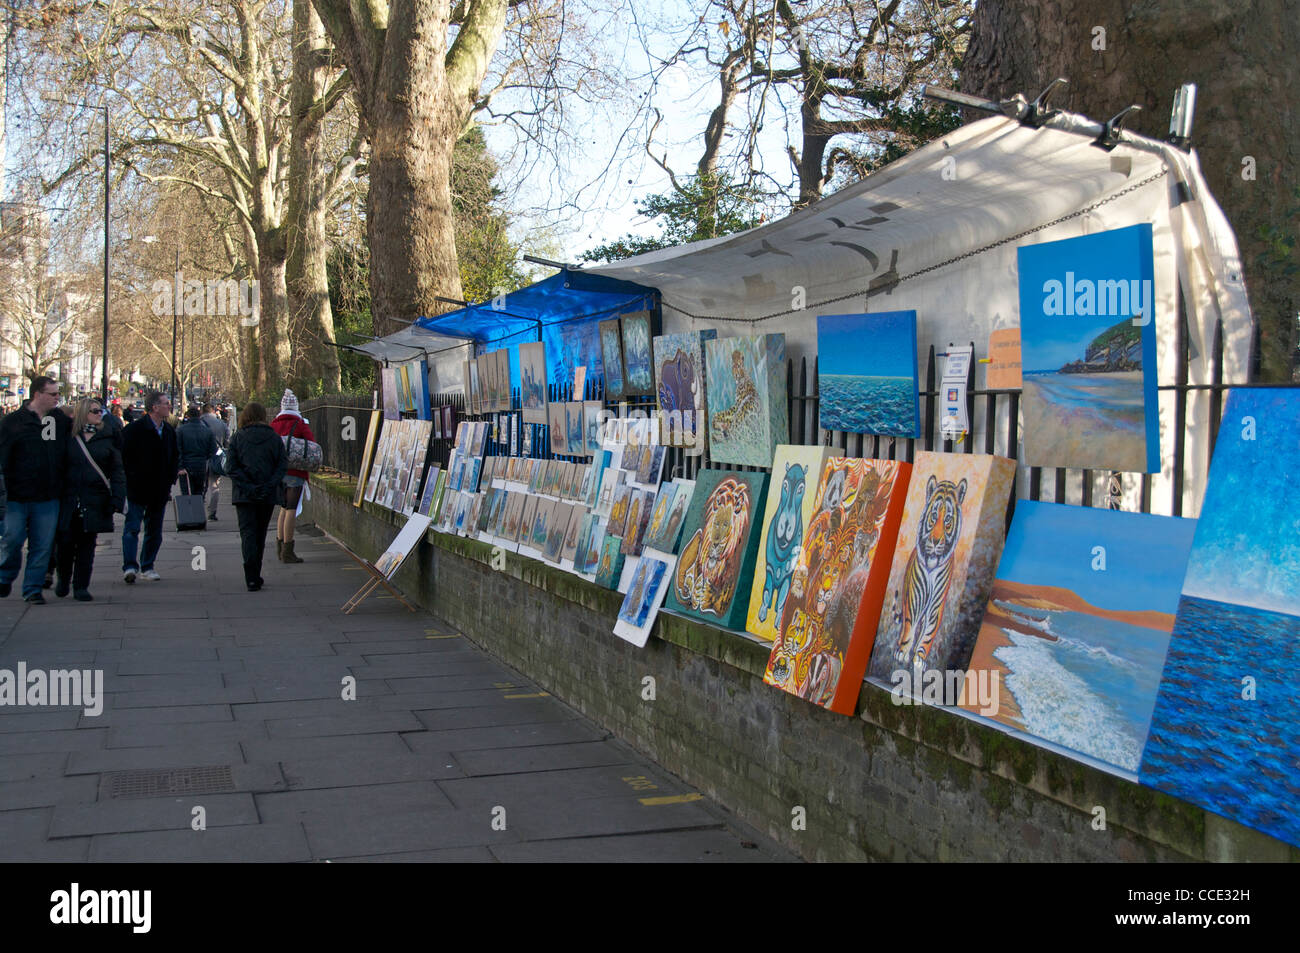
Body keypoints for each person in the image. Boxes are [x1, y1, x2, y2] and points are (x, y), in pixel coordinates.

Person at [0, 376, 70, 603]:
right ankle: (5, 576)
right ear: (38, 394)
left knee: (42, 546)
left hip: (48, 496)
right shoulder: (14, 422)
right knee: (12, 539)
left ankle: (32, 589)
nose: (57, 398)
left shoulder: (56, 420)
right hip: (17, 496)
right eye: (53, 394)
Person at [57, 398, 126, 601]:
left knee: (87, 545)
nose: (99, 415)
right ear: (83, 413)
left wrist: (118, 498)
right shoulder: (68, 437)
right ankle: (63, 578)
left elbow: (117, 470)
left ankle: (81, 586)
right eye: (95, 411)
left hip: (95, 499)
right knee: (65, 544)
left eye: (100, 411)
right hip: (69, 499)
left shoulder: (108, 436)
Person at [225, 402, 287, 591]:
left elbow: (231, 468)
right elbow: (281, 466)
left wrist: (248, 486)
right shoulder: (274, 438)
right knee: (260, 533)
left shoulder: (237, 438)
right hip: (267, 494)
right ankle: (256, 573)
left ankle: (251, 575)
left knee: (248, 534)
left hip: (244, 495)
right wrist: (268, 485)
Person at [121, 390, 180, 583]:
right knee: (131, 529)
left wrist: (170, 479)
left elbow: (173, 457)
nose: (169, 407)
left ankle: (147, 566)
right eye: (165, 404)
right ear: (154, 407)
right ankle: (130, 566)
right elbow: (124, 458)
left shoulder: (169, 431)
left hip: (159, 489)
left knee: (154, 531)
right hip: (137, 488)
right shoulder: (134, 430)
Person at [269, 389, 314, 563]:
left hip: (279, 472)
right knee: (291, 510)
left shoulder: (274, 424)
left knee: (283, 509)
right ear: (295, 407)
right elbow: (311, 445)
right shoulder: (300, 424)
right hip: (295, 471)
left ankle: (280, 546)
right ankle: (288, 551)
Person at [177, 405, 217, 505]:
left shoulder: (181, 430)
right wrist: (205, 457)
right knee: (199, 492)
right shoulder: (207, 431)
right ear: (199, 416)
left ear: (188, 416)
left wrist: (180, 466)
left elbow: (177, 449)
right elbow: (213, 449)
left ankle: (188, 516)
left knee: (186, 492)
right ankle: (198, 515)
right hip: (201, 464)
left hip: (185, 465)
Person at [201, 402, 229, 520]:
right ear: (213, 411)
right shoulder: (221, 424)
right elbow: (227, 441)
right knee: (214, 486)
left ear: (202, 412)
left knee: (198, 487)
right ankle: (212, 512)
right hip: (216, 457)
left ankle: (196, 513)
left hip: (201, 458)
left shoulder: (199, 423)